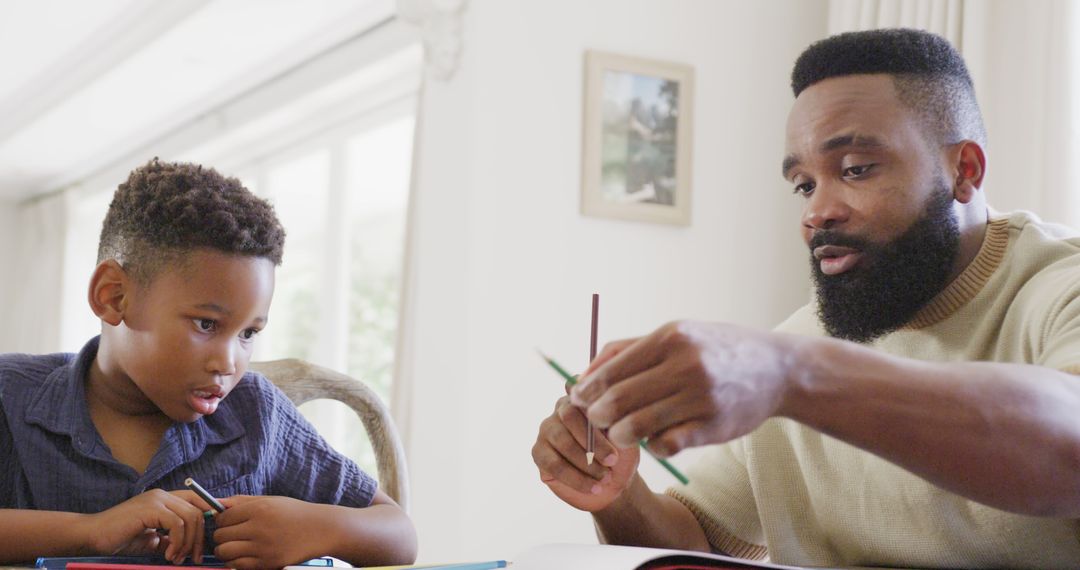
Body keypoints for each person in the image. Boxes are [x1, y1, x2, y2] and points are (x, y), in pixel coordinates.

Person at [532, 28, 1080, 569]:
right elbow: (694, 545)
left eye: (855, 169)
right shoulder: (799, 346)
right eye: (803, 184)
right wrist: (619, 496)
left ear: (964, 170)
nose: (817, 212)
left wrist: (790, 376)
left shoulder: (1060, 288)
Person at [0, 159, 418, 568]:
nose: (228, 362)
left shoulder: (257, 413)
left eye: (248, 334)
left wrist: (316, 527)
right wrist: (92, 531)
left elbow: (399, 532)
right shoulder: (10, 394)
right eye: (206, 324)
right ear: (114, 297)